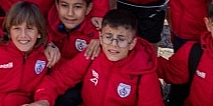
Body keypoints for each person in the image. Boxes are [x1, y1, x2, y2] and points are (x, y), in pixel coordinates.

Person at [29, 9, 165, 106]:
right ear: (100, 37)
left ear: (132, 43)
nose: (113, 44)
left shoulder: (143, 72)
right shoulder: (93, 53)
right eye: (108, 37)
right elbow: (58, 79)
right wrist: (43, 100)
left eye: (121, 39)